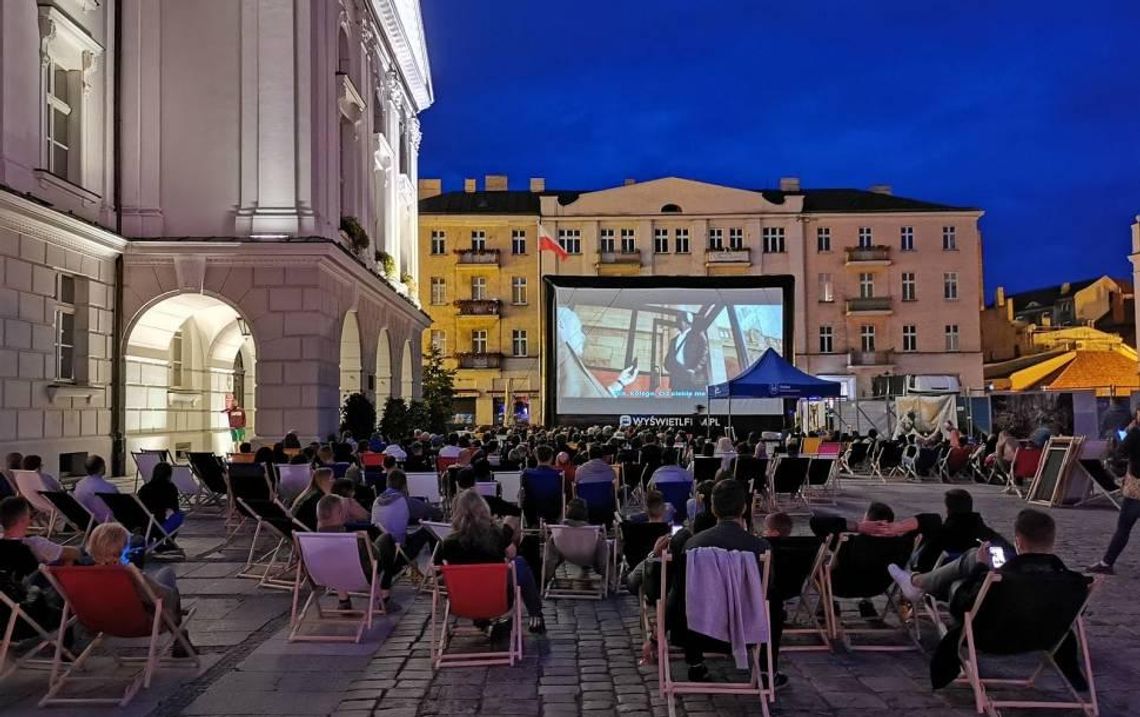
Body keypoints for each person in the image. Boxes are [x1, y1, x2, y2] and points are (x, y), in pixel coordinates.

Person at [665, 479, 784, 688]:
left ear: (712, 507)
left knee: (686, 594)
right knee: (772, 602)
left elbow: (678, 594)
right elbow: (768, 589)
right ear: (745, 507)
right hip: (748, 629)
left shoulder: (693, 545)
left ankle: (695, 662)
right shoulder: (760, 547)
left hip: (699, 628)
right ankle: (767, 669)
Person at [435, 489, 545, 633]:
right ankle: (536, 614)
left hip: (462, 603)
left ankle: (485, 624)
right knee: (519, 563)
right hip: (497, 600)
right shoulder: (495, 534)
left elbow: (436, 574)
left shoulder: (447, 543)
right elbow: (512, 553)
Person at [87, 522, 194, 657]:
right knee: (167, 575)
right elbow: (160, 596)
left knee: (159, 583)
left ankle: (180, 637)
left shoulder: (82, 574)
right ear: (124, 547)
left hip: (99, 621)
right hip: (137, 621)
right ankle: (180, 636)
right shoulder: (129, 574)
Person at [861, 489, 1001, 572]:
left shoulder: (941, 534)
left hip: (937, 581)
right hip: (971, 581)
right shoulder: (986, 535)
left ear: (948, 509)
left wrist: (899, 528)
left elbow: (921, 563)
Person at [1089, 409, 1140, 574]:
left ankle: (1106, 563)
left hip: (1136, 488)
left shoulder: (1135, 434)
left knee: (1124, 527)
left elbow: (1119, 453)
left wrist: (1125, 433)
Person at [371, 469, 443, 563]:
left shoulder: (376, 501)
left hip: (378, 552)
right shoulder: (404, 501)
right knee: (430, 526)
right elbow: (434, 512)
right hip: (398, 554)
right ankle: (437, 567)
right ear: (404, 486)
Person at [541, 498, 610, 585]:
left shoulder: (558, 530)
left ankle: (546, 579)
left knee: (551, 543)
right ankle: (609, 578)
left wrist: (547, 575)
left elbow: (550, 558)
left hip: (567, 555)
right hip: (588, 557)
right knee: (606, 545)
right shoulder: (593, 532)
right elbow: (602, 558)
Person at [0, 496, 81, 567]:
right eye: (29, 515)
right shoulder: (35, 544)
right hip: (37, 582)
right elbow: (74, 553)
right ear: (24, 519)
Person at [137, 462, 185, 551]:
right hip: (159, 527)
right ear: (169, 475)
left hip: (144, 526)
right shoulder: (170, 488)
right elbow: (175, 508)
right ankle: (168, 540)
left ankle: (153, 541)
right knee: (180, 515)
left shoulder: (145, 488)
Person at [73, 455, 118, 524]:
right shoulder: (109, 488)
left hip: (83, 521)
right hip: (104, 522)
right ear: (101, 468)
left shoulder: (79, 484)